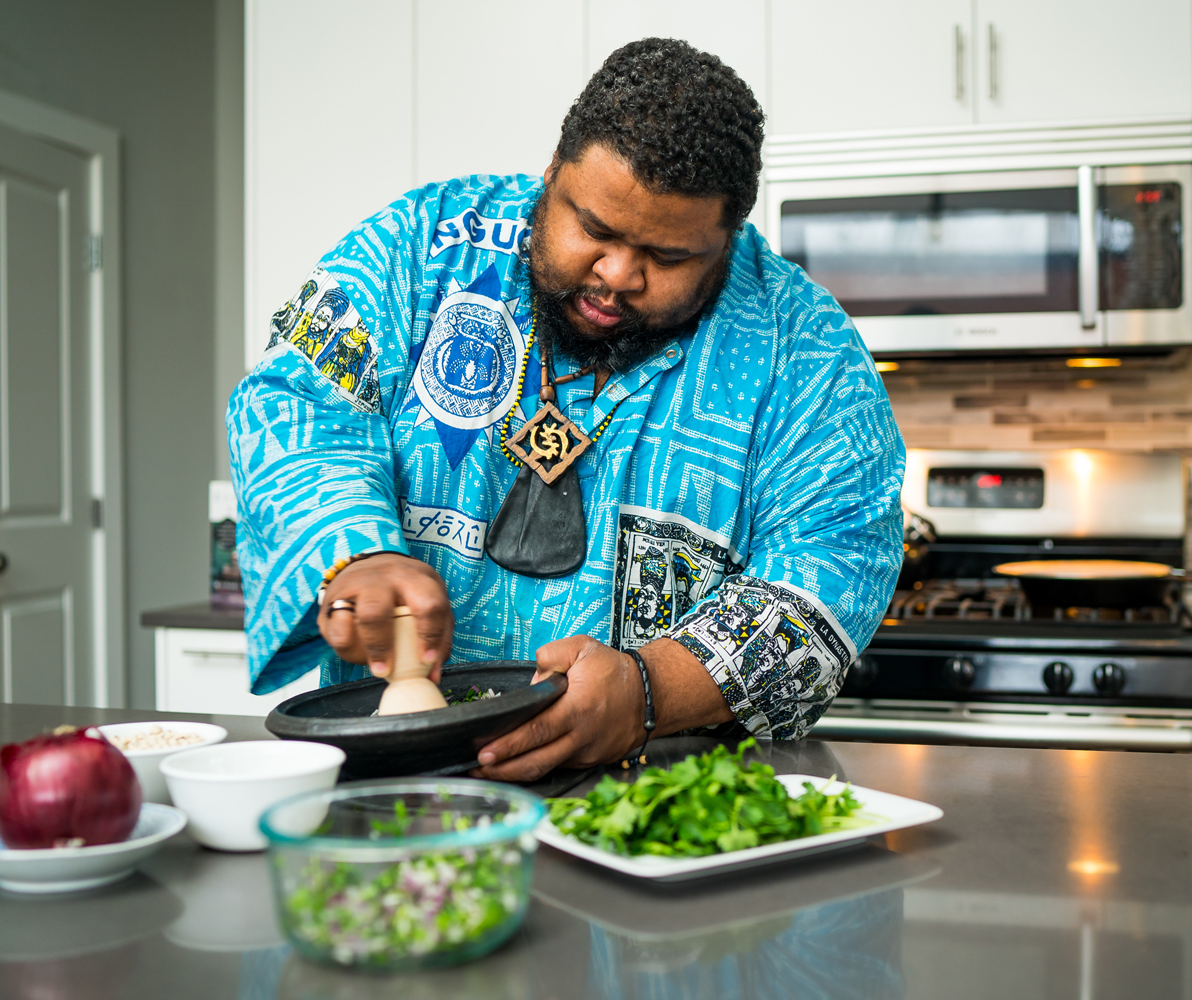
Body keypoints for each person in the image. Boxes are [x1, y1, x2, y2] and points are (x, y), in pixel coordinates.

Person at [228, 38, 905, 781]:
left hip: (662, 798)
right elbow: (294, 404)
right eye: (595, 229)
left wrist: (649, 691)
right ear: (553, 173)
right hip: (399, 777)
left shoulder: (803, 344)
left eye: (670, 257)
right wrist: (353, 548)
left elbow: (837, 554)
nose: (617, 274)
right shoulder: (418, 248)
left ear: (728, 237)